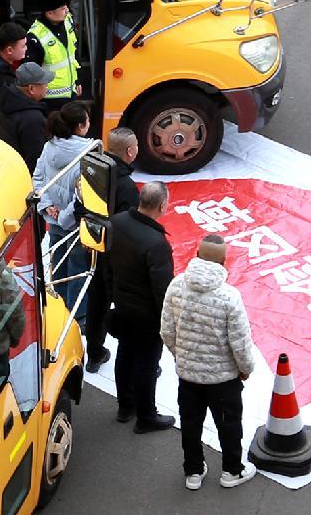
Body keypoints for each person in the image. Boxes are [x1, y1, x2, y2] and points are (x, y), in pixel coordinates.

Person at [161, 235, 257, 491]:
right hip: (223, 380)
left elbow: (167, 331)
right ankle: (232, 471)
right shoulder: (229, 296)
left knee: (190, 423)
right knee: (229, 425)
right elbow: (240, 343)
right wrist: (245, 369)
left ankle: (193, 471)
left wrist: (181, 356)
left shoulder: (176, 285)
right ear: (224, 261)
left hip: (188, 376)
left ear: (196, 254)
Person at [107, 181, 175, 433]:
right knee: (147, 364)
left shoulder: (117, 222)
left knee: (125, 354)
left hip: (122, 303)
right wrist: (167, 320)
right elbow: (162, 289)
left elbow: (106, 263)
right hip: (147, 315)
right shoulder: (156, 243)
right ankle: (146, 416)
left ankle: (125, 406)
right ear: (162, 205)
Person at [85, 126, 141, 374]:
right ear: (130, 151)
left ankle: (94, 353)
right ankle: (137, 358)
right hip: (116, 256)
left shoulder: (94, 169)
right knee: (127, 308)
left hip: (93, 245)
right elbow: (128, 227)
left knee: (96, 304)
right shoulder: (126, 186)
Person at [32, 102, 94, 324]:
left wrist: (48, 206)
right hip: (74, 223)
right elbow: (84, 195)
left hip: (54, 219)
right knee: (77, 269)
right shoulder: (89, 152)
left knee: (57, 264)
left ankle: (57, 308)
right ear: (81, 126)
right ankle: (77, 316)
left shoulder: (50, 146)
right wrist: (65, 217)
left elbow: (38, 178)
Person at [25, 0, 81, 108]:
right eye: (62, 8)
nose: (67, 10)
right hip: (50, 101)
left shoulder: (67, 20)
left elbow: (73, 53)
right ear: (49, 13)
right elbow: (32, 74)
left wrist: (78, 81)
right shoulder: (35, 36)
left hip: (70, 94)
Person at [0, 62, 53, 173]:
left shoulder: (9, 104)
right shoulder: (33, 119)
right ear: (31, 89)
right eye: (44, 83)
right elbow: (36, 159)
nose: (47, 86)